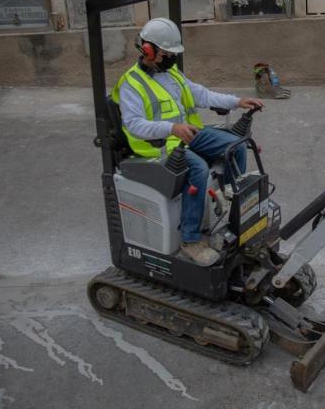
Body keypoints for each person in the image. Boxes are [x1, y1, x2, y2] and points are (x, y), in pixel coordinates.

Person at [112, 18, 264, 266]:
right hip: (159, 146)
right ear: (148, 50)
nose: (172, 58)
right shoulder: (131, 84)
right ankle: (190, 240)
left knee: (235, 145)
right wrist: (172, 128)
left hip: (186, 135)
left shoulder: (170, 73)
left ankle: (230, 206)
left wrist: (237, 102)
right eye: (167, 53)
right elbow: (134, 125)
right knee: (198, 169)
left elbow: (201, 94)